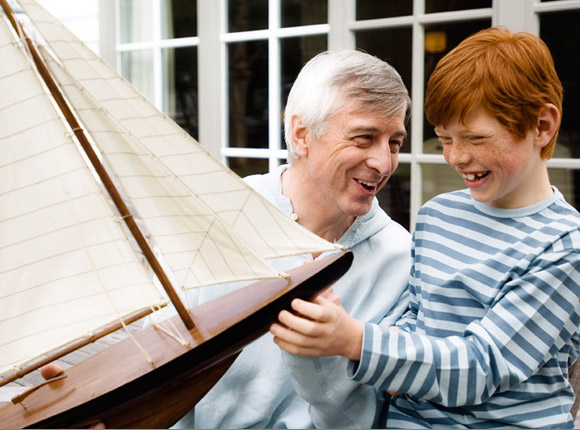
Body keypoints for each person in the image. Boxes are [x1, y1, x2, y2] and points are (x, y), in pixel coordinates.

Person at [42, 49, 412, 429]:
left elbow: (363, 420)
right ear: (302, 135)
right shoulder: (219, 215)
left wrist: (321, 356)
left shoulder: (400, 258)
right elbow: (158, 362)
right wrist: (99, 408)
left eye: (395, 143)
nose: (384, 163)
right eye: (364, 138)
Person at [270, 26, 580, 428]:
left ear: (541, 126)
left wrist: (354, 340)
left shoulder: (564, 246)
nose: (457, 156)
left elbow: (482, 367)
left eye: (475, 137)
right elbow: (415, 322)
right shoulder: (436, 217)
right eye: (444, 138)